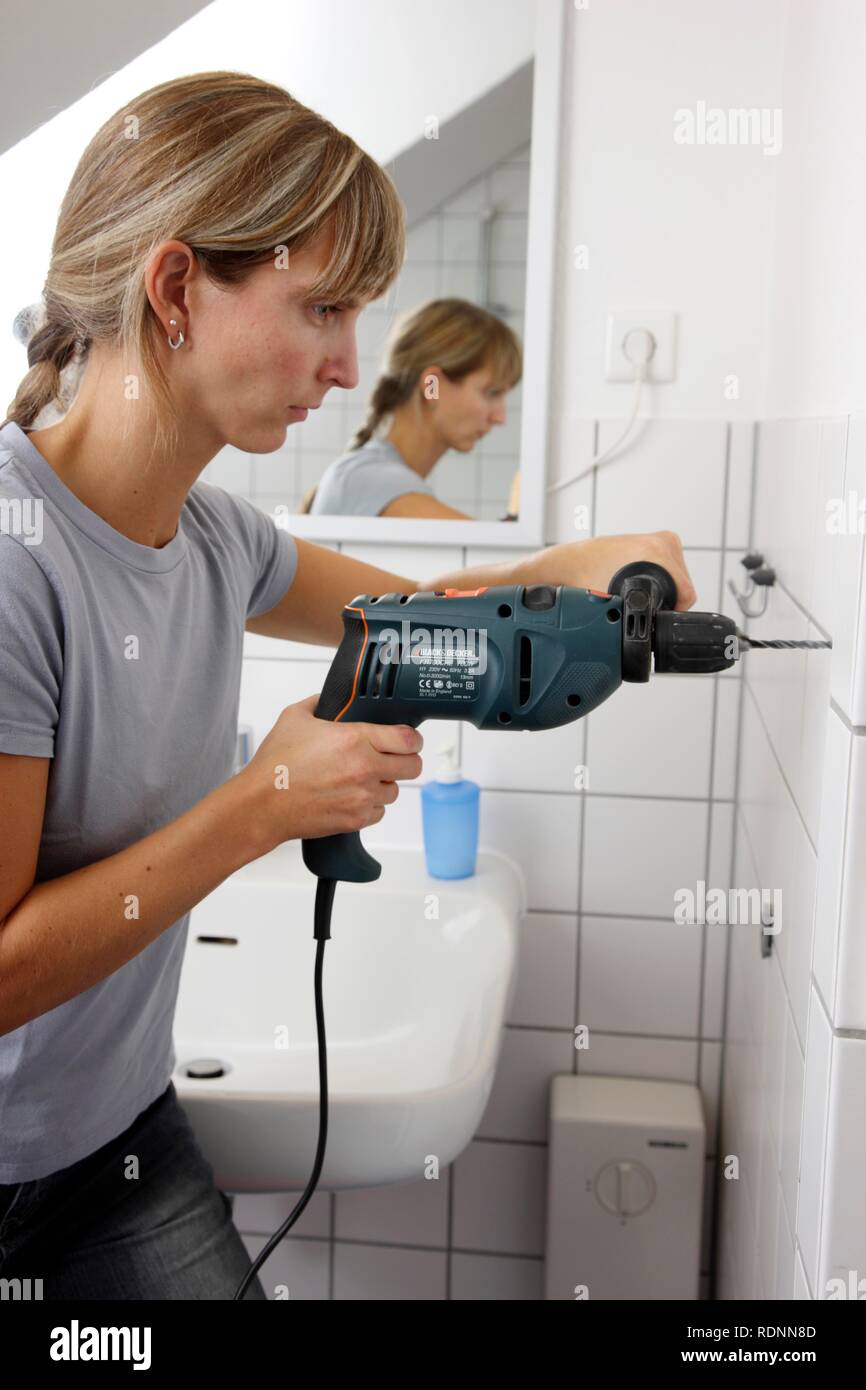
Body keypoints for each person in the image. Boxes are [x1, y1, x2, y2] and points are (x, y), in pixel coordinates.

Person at [0, 70, 696, 1301]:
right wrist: (262, 800)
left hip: (114, 1139)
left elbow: (418, 611)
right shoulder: (15, 561)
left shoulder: (216, 539)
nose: (345, 363)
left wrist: (579, 568)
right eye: (320, 308)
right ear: (174, 290)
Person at [304, 298, 521, 519]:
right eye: (491, 393)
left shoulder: (367, 475)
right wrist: (517, 514)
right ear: (432, 386)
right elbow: (486, 553)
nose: (500, 417)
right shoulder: (368, 479)